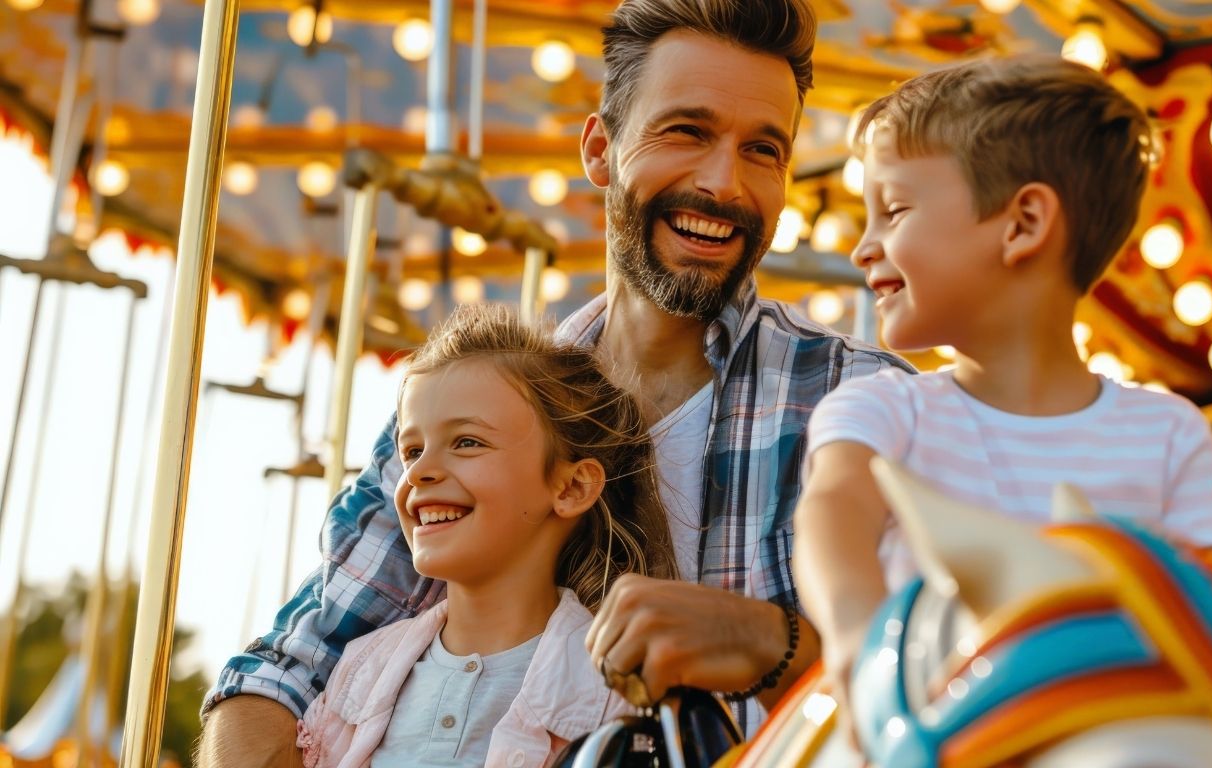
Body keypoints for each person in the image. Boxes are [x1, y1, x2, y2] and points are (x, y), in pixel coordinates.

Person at [198, 1, 908, 764]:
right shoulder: (468, 406)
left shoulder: (866, 404)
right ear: (600, 149)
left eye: (762, 150)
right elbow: (284, 673)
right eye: (686, 132)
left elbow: (949, 678)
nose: (723, 182)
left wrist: (771, 644)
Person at [792, 56, 1212, 710]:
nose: (864, 247)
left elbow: (1210, 607)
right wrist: (858, 632)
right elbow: (835, 509)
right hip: (936, 715)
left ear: (1023, 224)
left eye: (895, 210)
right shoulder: (882, 410)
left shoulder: (1168, 434)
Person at [296, 305, 675, 767]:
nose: (419, 471)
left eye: (467, 442)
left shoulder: (616, 691)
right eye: (412, 450)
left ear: (572, 487)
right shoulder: (360, 671)